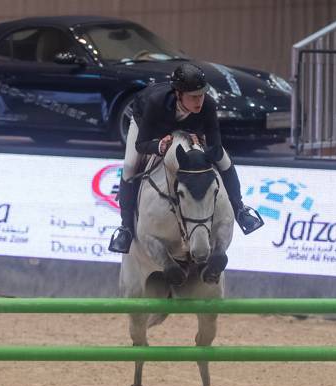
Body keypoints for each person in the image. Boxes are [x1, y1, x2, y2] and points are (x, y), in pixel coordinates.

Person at [108, 63, 264, 254]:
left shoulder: (207, 104)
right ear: (178, 94)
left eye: (202, 94)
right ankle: (125, 228)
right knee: (130, 165)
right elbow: (142, 144)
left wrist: (201, 148)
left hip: (190, 131)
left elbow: (215, 146)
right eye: (193, 96)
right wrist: (159, 146)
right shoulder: (156, 103)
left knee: (224, 159)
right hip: (148, 126)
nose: (199, 100)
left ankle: (240, 209)